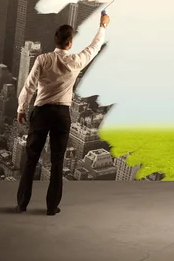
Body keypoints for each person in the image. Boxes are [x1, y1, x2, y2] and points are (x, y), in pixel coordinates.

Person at [15, 11, 111, 216]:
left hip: (41, 112)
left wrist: (21, 108)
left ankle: (22, 204)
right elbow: (94, 48)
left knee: (31, 159)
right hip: (62, 114)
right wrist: (103, 26)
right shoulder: (75, 61)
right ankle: (51, 207)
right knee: (57, 162)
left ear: (56, 41)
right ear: (70, 43)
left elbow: (29, 86)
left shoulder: (42, 59)